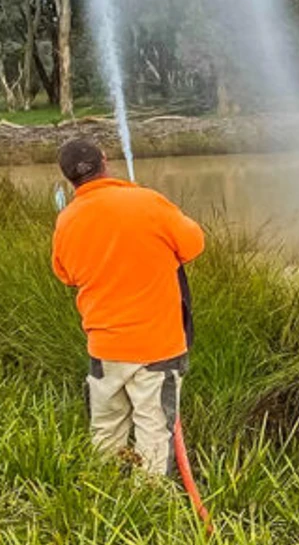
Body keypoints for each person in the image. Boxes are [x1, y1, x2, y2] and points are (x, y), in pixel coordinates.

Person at [49, 138, 207, 492]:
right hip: (158, 347)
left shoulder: (67, 220)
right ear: (105, 161)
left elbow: (65, 274)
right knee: (154, 430)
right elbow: (194, 243)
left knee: (106, 429)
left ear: (69, 179)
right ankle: (147, 503)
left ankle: (107, 494)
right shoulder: (147, 201)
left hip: (105, 349)